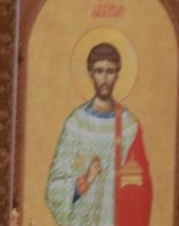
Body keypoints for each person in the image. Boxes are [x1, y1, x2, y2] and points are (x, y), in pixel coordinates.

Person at [45, 43, 152, 226]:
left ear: (117, 75)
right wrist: (85, 180)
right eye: (99, 71)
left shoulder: (129, 126)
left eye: (110, 71)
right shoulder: (75, 124)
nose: (105, 78)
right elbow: (54, 188)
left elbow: (143, 189)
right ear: (90, 74)